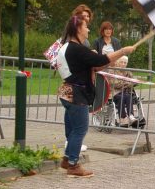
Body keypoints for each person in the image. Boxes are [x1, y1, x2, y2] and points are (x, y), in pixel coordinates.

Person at [56, 14, 134, 177]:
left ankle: (67, 159)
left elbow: (95, 65)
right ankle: (73, 165)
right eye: (85, 26)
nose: (88, 29)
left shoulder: (67, 47)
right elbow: (99, 59)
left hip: (67, 92)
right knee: (80, 129)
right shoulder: (77, 49)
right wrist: (122, 51)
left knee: (72, 129)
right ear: (78, 29)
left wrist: (105, 62)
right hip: (76, 94)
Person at [110, 56, 138, 127]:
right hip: (115, 93)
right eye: (121, 62)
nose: (123, 64)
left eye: (125, 63)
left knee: (128, 96)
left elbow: (135, 81)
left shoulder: (128, 72)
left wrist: (127, 83)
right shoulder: (112, 71)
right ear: (117, 62)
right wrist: (128, 83)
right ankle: (123, 118)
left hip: (126, 93)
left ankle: (131, 116)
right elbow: (115, 84)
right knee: (122, 97)